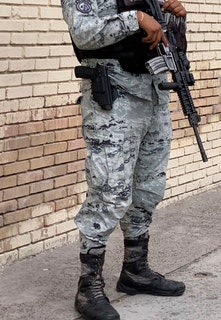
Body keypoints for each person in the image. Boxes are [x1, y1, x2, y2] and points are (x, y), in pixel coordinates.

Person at [61, 0, 188, 318]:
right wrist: (137, 19)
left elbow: (160, 40)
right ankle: (88, 288)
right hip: (114, 100)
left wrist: (173, 17)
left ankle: (135, 270)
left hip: (154, 94)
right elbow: (83, 34)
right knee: (109, 191)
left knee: (148, 188)